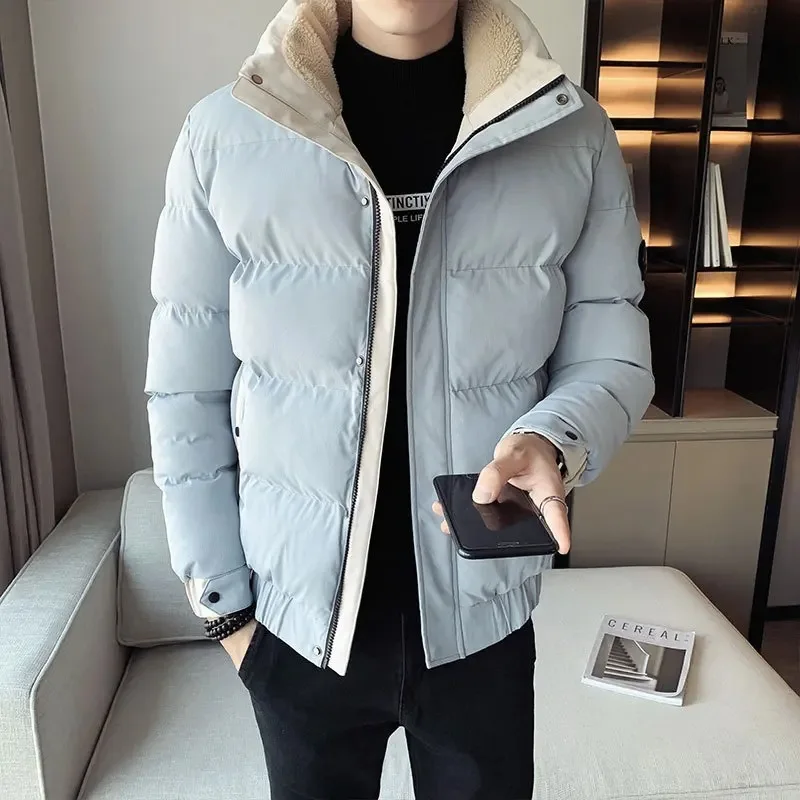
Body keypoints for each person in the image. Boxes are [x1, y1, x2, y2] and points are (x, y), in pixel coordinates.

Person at [145, 0, 654, 797]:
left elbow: (612, 354)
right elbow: (187, 390)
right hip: (297, 636)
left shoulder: (571, 132)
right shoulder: (225, 134)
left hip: (481, 629)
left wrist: (554, 438)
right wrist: (226, 612)